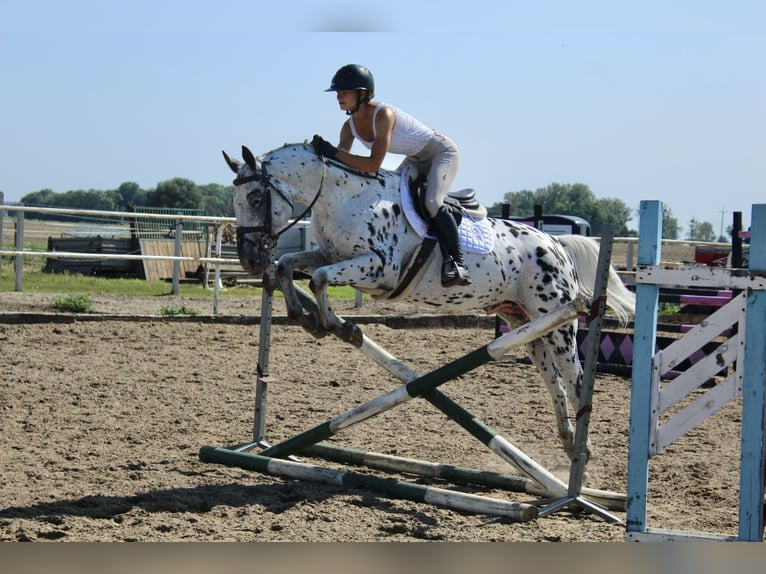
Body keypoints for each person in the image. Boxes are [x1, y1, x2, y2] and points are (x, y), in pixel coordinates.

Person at [313, 64, 471, 288]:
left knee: (432, 201)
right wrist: (321, 157)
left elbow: (373, 165)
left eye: (344, 91)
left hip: (441, 153)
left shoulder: (383, 115)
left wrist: (335, 154)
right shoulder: (348, 128)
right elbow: (341, 166)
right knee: (392, 201)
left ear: (363, 94)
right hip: (415, 159)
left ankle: (457, 263)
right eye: (337, 92)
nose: (339, 96)